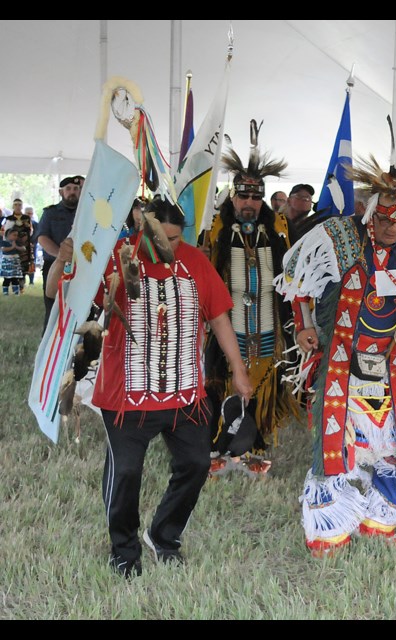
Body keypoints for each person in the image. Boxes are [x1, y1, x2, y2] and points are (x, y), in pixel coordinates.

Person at [276, 154, 396, 556]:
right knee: (335, 447)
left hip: (394, 363)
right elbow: (295, 272)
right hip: (343, 362)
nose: (394, 228)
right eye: (385, 221)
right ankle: (328, 529)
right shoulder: (340, 236)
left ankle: (381, 520)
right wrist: (304, 323)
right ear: (369, 215)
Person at [91, 197, 252, 578]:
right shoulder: (117, 258)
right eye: (159, 239)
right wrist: (67, 263)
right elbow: (68, 297)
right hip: (126, 394)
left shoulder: (195, 261)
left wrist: (238, 368)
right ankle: (124, 550)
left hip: (185, 393)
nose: (168, 247)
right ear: (139, 231)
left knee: (196, 465)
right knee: (126, 472)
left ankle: (164, 536)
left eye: (176, 239)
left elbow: (218, 317)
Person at [203, 127, 298, 478]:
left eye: (256, 198)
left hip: (268, 328)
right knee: (223, 384)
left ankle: (254, 448)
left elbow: (290, 279)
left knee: (263, 388)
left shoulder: (278, 233)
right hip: (230, 327)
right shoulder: (217, 231)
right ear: (232, 198)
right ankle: (218, 447)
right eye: (243, 197)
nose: (249, 204)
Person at [35, 175, 84, 328]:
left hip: (81, 268)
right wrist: (61, 257)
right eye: (68, 189)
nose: (72, 192)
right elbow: (42, 238)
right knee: (53, 307)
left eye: (76, 189)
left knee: (81, 308)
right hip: (54, 267)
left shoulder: (86, 213)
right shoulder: (50, 213)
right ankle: (49, 343)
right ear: (61, 192)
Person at [3, 198, 34, 291]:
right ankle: (12, 285)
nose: (17, 207)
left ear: (22, 206)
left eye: (19, 205)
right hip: (13, 245)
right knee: (13, 266)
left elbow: (31, 230)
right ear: (13, 206)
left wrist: (27, 237)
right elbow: (4, 232)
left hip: (24, 245)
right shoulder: (8, 219)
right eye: (15, 205)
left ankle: (21, 286)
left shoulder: (26, 218)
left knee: (24, 266)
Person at [1, 226, 25, 295]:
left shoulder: (17, 242)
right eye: (14, 235)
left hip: (15, 262)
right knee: (7, 278)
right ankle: (5, 292)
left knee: (15, 277)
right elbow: (3, 249)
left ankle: (16, 292)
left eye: (17, 235)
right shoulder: (4, 242)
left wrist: (16, 246)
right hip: (7, 261)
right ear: (8, 235)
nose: (16, 237)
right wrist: (12, 247)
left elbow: (23, 249)